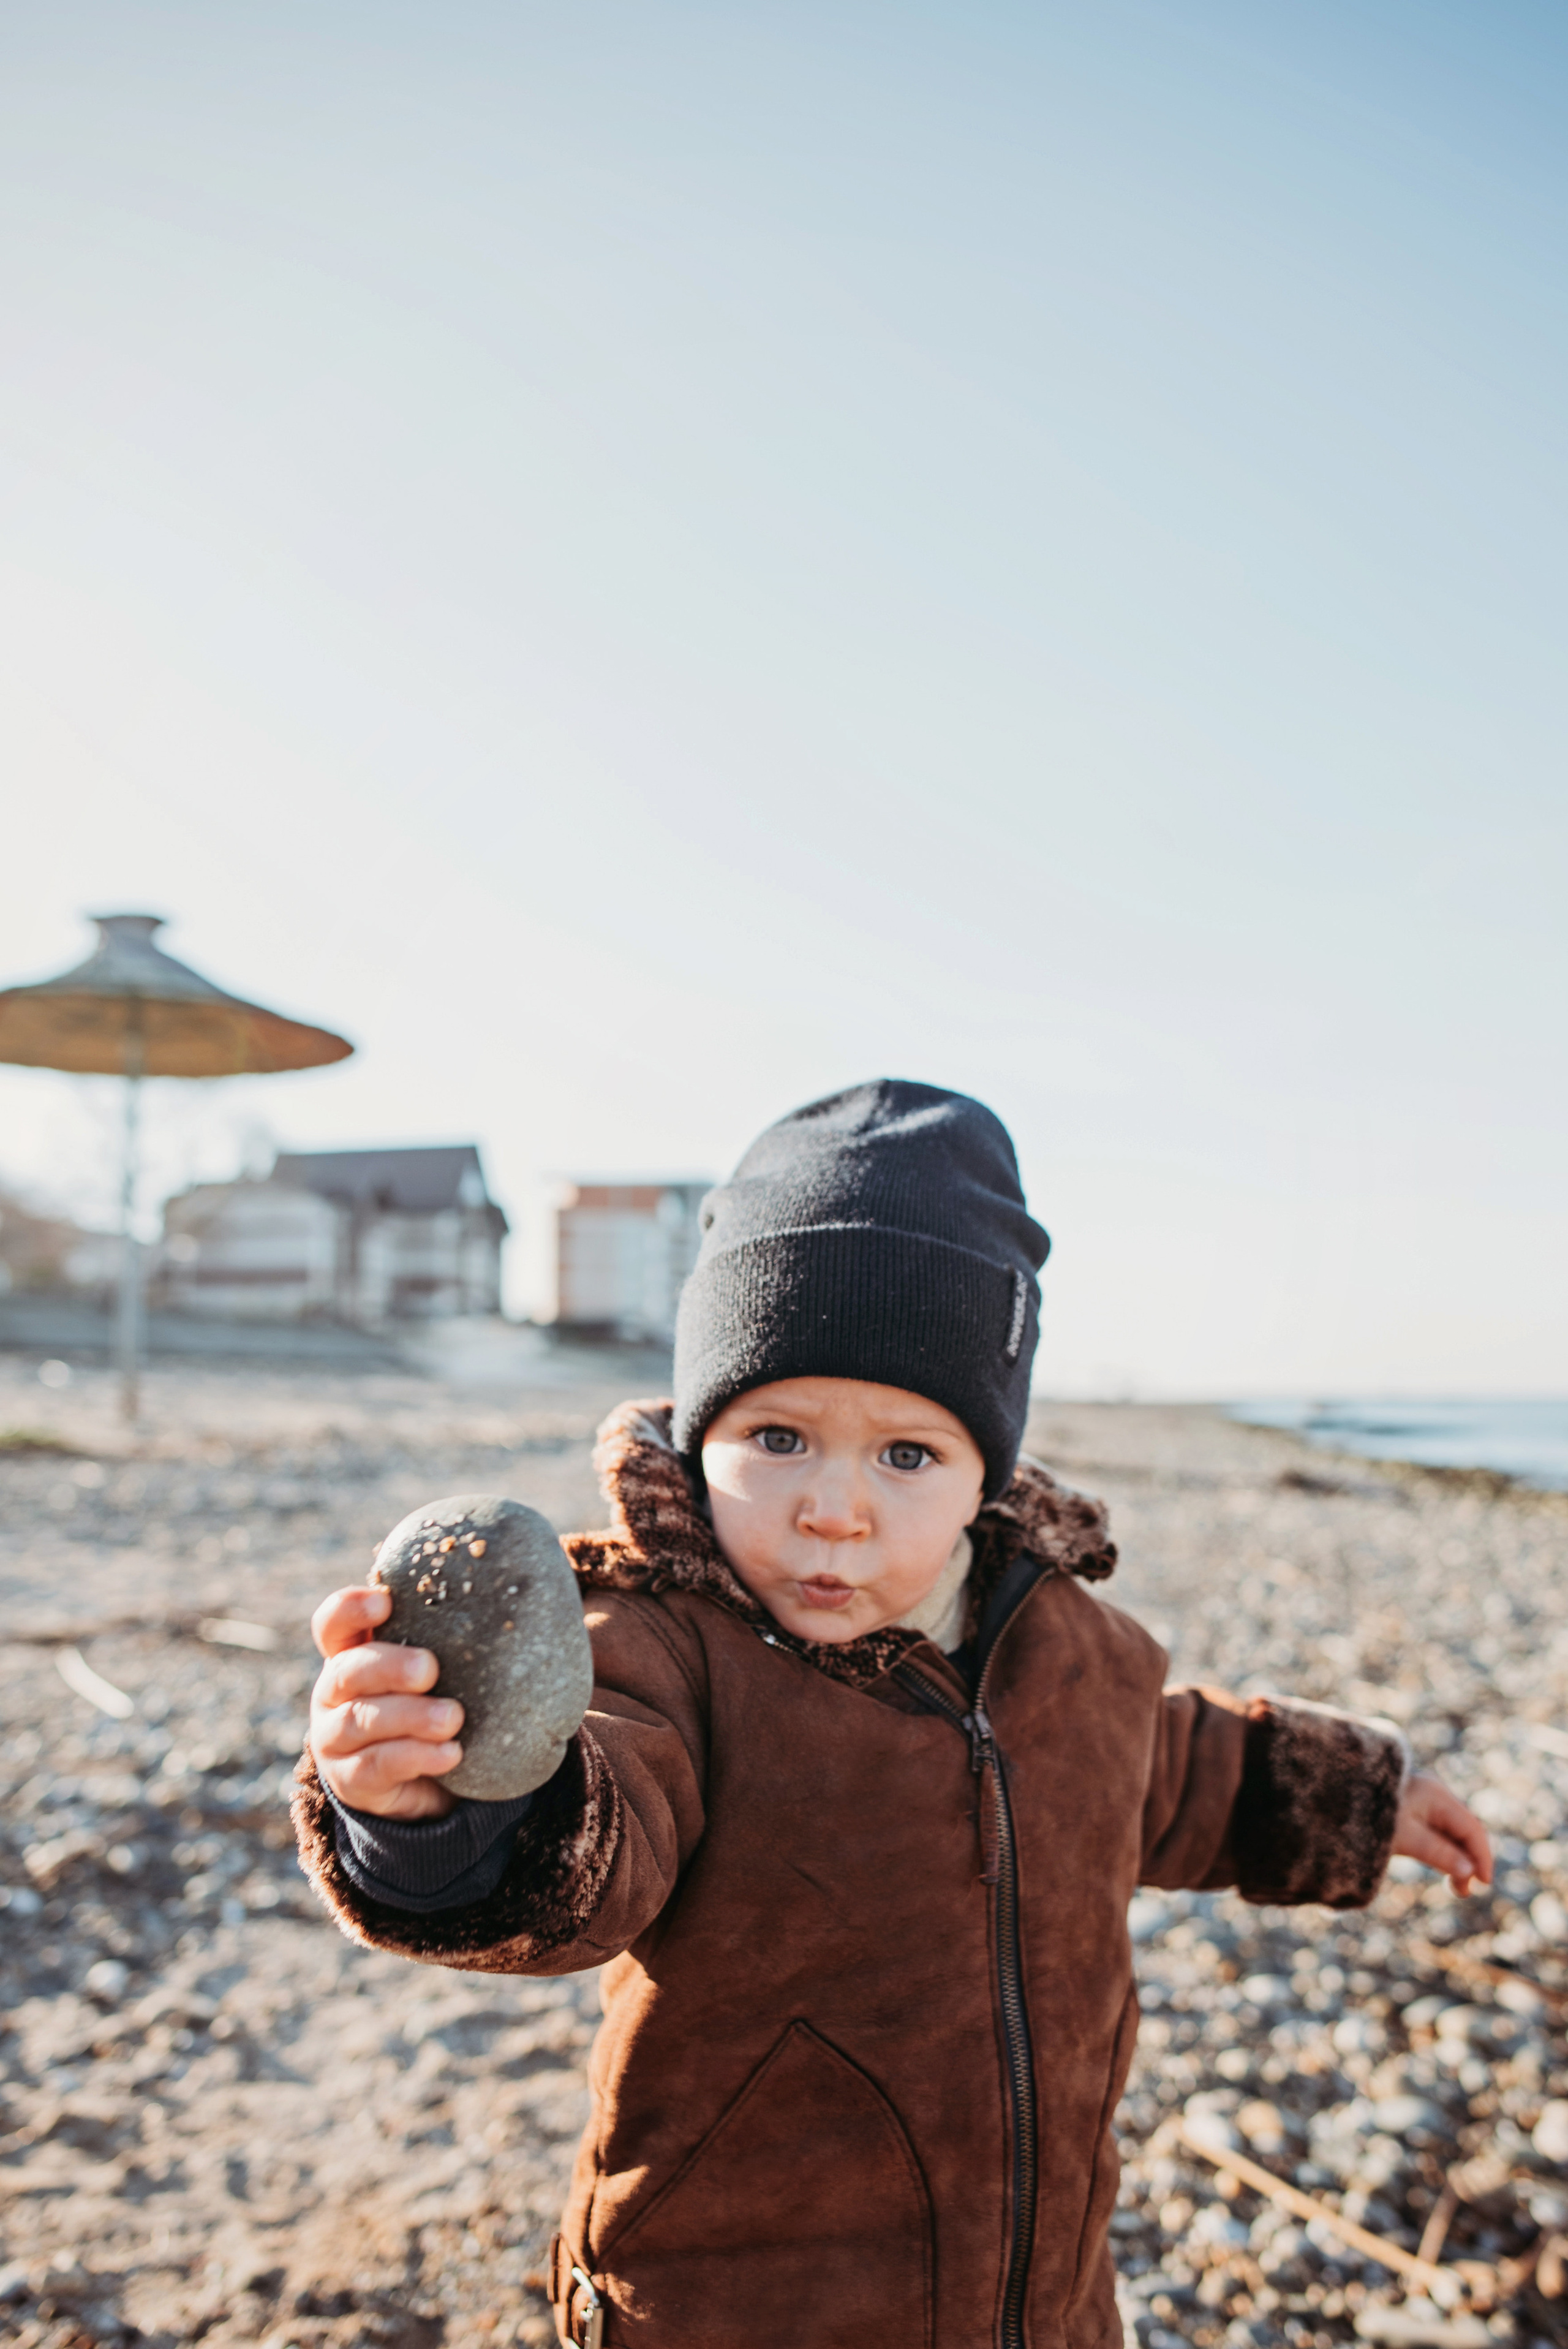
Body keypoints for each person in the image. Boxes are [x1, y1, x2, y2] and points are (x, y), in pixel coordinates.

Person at [294, 1080, 1490, 2349]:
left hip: (1040, 2294)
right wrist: (432, 1808)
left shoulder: (1069, 1647)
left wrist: (1353, 1799)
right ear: (699, 1441)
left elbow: (1166, 1772)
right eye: (777, 1436)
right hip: (734, 2305)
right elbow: (588, 1856)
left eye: (905, 1456)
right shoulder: (660, 1653)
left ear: (988, 1472)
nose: (833, 1509)